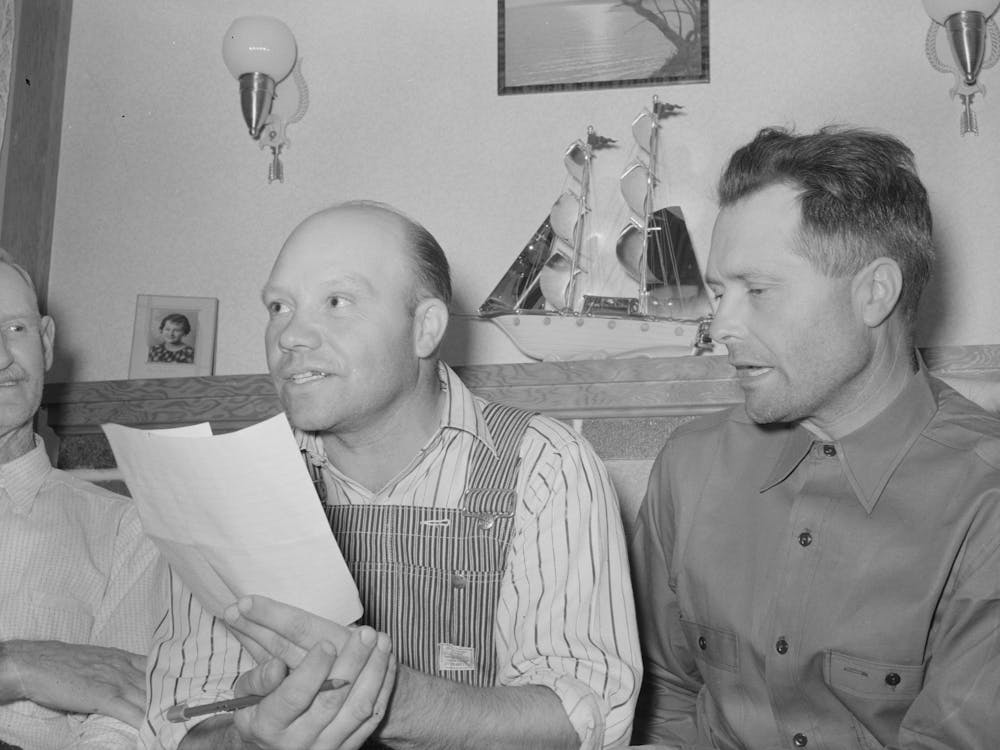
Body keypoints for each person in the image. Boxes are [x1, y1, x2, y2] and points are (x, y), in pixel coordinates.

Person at [140, 200, 641, 750]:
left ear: (425, 328)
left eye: (336, 301)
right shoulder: (221, 492)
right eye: (279, 306)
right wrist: (247, 742)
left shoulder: (546, 468)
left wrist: (387, 700)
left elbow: (585, 721)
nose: (290, 336)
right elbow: (176, 723)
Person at [629, 125, 1000, 749]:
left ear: (874, 293)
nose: (720, 324)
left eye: (758, 290)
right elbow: (663, 695)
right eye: (721, 292)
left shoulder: (984, 501)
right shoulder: (687, 468)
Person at [0, 250, 168, 748]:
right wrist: (19, 665)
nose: (3, 357)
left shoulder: (127, 528)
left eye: (15, 329)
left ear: (46, 343)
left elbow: (124, 716)